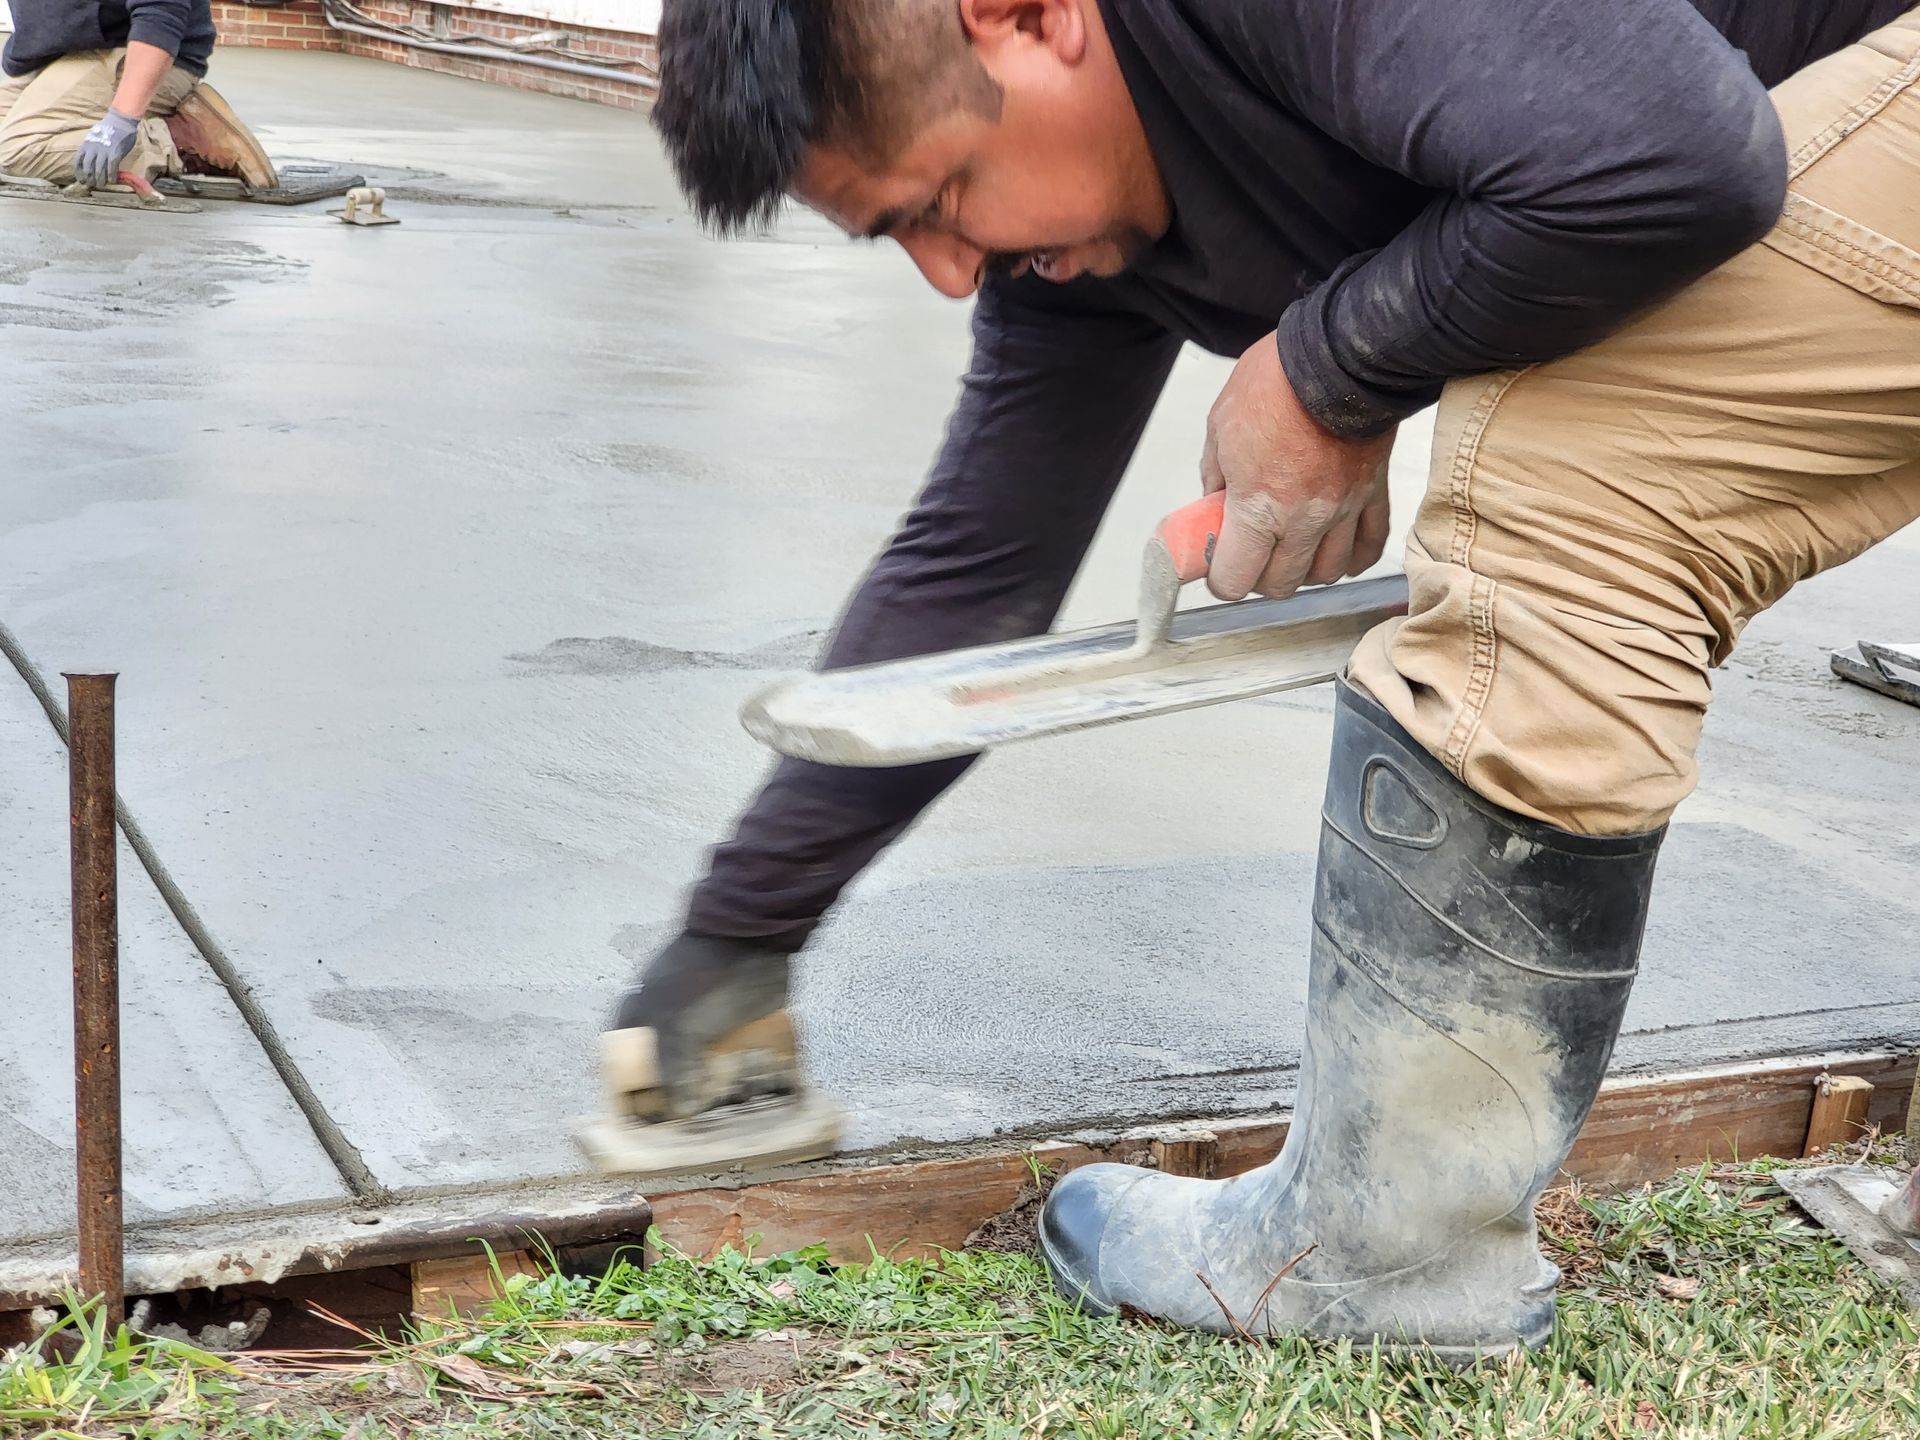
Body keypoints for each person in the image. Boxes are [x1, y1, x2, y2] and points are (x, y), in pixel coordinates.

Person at [617, 0, 1920, 1356]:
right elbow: (981, 566)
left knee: (1565, 468)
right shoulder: (1077, 249)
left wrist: (1327, 369)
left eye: (943, 196)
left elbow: (1677, 160)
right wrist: (735, 935)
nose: (952, 275)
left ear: (1026, 17)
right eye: (901, 235)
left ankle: (1386, 1262)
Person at [0, 0, 275, 192]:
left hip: (137, 53)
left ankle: (180, 137)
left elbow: (161, 13)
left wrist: (121, 119)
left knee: (18, 152)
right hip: (61, 55)